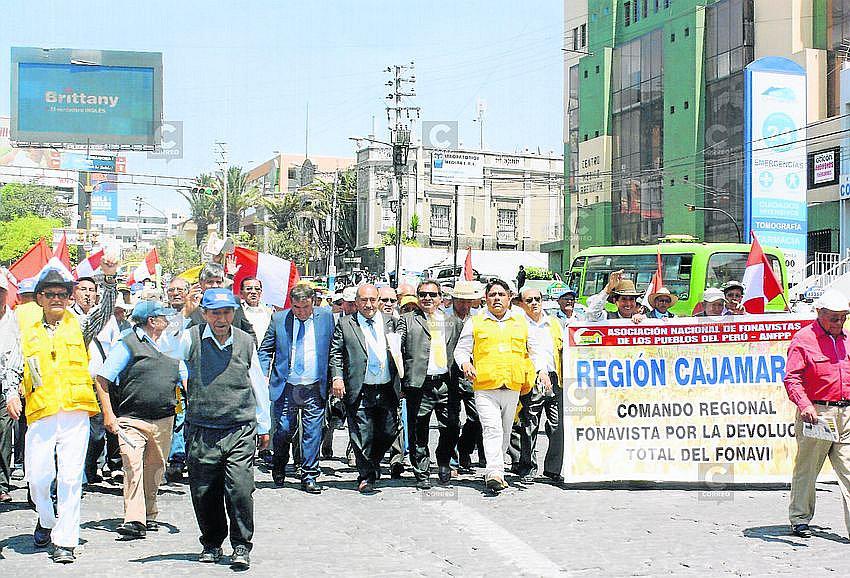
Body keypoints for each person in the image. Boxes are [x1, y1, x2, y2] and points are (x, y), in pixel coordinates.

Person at [6, 256, 120, 564]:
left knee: (70, 478)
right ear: (39, 298)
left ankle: (65, 541)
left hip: (75, 412)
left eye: (62, 294)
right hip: (41, 413)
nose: (56, 298)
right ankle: (46, 519)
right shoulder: (26, 330)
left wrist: (109, 279)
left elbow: (104, 312)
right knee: (37, 478)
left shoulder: (79, 326)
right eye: (50, 294)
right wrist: (11, 393)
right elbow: (13, 366)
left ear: (69, 298)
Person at [167, 288, 270, 569]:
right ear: (204, 314)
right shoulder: (191, 338)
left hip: (239, 428)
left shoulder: (245, 341)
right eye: (215, 313)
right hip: (202, 428)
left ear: (233, 313)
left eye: (226, 312)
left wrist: (264, 424)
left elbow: (257, 382)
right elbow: (165, 347)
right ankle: (212, 543)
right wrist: (183, 314)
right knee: (204, 491)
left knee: (240, 489)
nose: (221, 319)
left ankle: (241, 545)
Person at [94, 299, 183, 539]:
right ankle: (134, 519)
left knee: (155, 469)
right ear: (152, 321)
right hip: (131, 420)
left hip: (164, 419)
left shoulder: (172, 345)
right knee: (132, 467)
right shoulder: (127, 343)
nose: (167, 320)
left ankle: (149, 514)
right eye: (163, 316)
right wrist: (108, 414)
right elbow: (102, 379)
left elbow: (185, 378)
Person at [454, 279, 535, 493]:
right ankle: (494, 473)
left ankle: (497, 469)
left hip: (513, 385)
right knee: (492, 428)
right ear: (486, 298)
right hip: (485, 386)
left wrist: (541, 371)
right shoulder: (476, 322)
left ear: (509, 298)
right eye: (492, 295)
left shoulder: (521, 321)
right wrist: (465, 364)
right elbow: (461, 350)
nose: (497, 298)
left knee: (505, 432)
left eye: (501, 294)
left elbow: (535, 350)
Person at [784, 289, 850, 539]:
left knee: (849, 471)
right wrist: (805, 405)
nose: (839, 323)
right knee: (808, 469)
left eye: (843, 317)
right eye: (834, 318)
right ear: (819, 313)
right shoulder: (803, 339)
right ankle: (800, 518)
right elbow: (792, 378)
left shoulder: (847, 338)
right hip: (817, 413)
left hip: (846, 413)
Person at [259, 284, 334, 494]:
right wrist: (263, 373)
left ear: (314, 302)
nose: (301, 312)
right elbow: (265, 350)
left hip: (314, 386)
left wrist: (335, 377)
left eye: (305, 307)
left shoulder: (326, 318)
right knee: (283, 430)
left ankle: (309, 475)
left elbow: (334, 349)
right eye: (296, 307)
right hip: (287, 386)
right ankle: (279, 464)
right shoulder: (279, 319)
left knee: (312, 433)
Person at [329, 284, 405, 493]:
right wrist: (337, 377)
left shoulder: (392, 322)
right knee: (361, 434)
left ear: (378, 301)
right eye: (363, 300)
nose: (368, 305)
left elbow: (402, 351)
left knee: (389, 431)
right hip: (360, 388)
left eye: (372, 300)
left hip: (387, 386)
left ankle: (373, 462)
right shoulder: (346, 324)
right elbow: (336, 353)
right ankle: (366, 476)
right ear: (356, 302)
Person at [401, 280, 463, 488]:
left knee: (451, 427)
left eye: (432, 294)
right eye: (423, 294)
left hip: (446, 383)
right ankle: (422, 473)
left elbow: (461, 350)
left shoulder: (452, 322)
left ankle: (444, 460)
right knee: (419, 430)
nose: (427, 298)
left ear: (440, 298)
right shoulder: (407, 320)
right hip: (420, 385)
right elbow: (398, 350)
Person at [512, 287, 565, 484]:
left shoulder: (554, 323)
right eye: (529, 300)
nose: (534, 303)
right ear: (521, 304)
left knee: (557, 426)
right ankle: (527, 467)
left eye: (537, 299)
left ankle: (553, 469)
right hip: (531, 378)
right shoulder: (518, 325)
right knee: (529, 425)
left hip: (555, 378)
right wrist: (538, 372)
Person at [448, 280, 485, 471]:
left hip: (472, 375)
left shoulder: (478, 319)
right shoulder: (444, 319)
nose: (465, 305)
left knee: (477, 417)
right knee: (451, 421)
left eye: (468, 301)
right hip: (449, 375)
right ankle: (452, 460)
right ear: (454, 300)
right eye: (461, 301)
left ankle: (465, 447)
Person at [183, 263, 257, 343]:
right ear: (201, 284)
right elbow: (179, 336)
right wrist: (186, 313)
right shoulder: (192, 306)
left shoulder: (234, 301)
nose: (215, 286)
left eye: (218, 282)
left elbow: (248, 330)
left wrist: (250, 348)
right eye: (210, 282)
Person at [0, 271, 23, 503]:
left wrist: (14, 388)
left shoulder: (15, 321)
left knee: (4, 433)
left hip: (6, 387)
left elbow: (19, 355)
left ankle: (1, 484)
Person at [240, 276, 274, 342]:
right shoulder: (237, 311)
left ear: (261, 292)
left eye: (257, 289)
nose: (253, 292)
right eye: (249, 289)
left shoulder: (269, 311)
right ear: (241, 293)